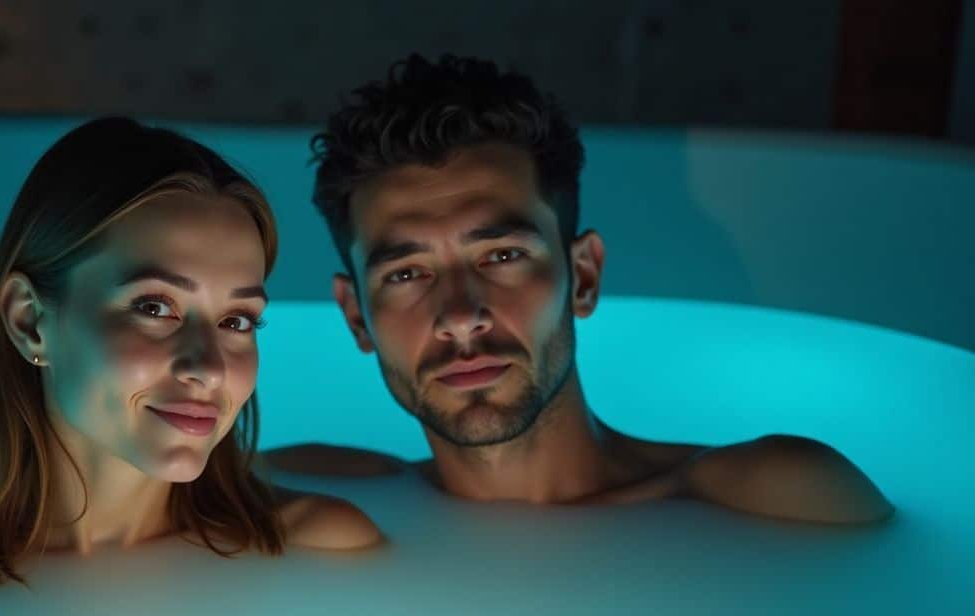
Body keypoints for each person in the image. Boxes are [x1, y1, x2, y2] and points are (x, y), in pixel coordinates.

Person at [264, 53, 893, 524]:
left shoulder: (771, 495)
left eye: (502, 254)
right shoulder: (317, 494)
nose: (460, 316)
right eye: (405, 274)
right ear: (355, 317)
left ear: (583, 276)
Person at [0, 117, 383, 592]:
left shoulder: (322, 548)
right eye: (155, 307)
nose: (207, 367)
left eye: (237, 320)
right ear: (30, 321)